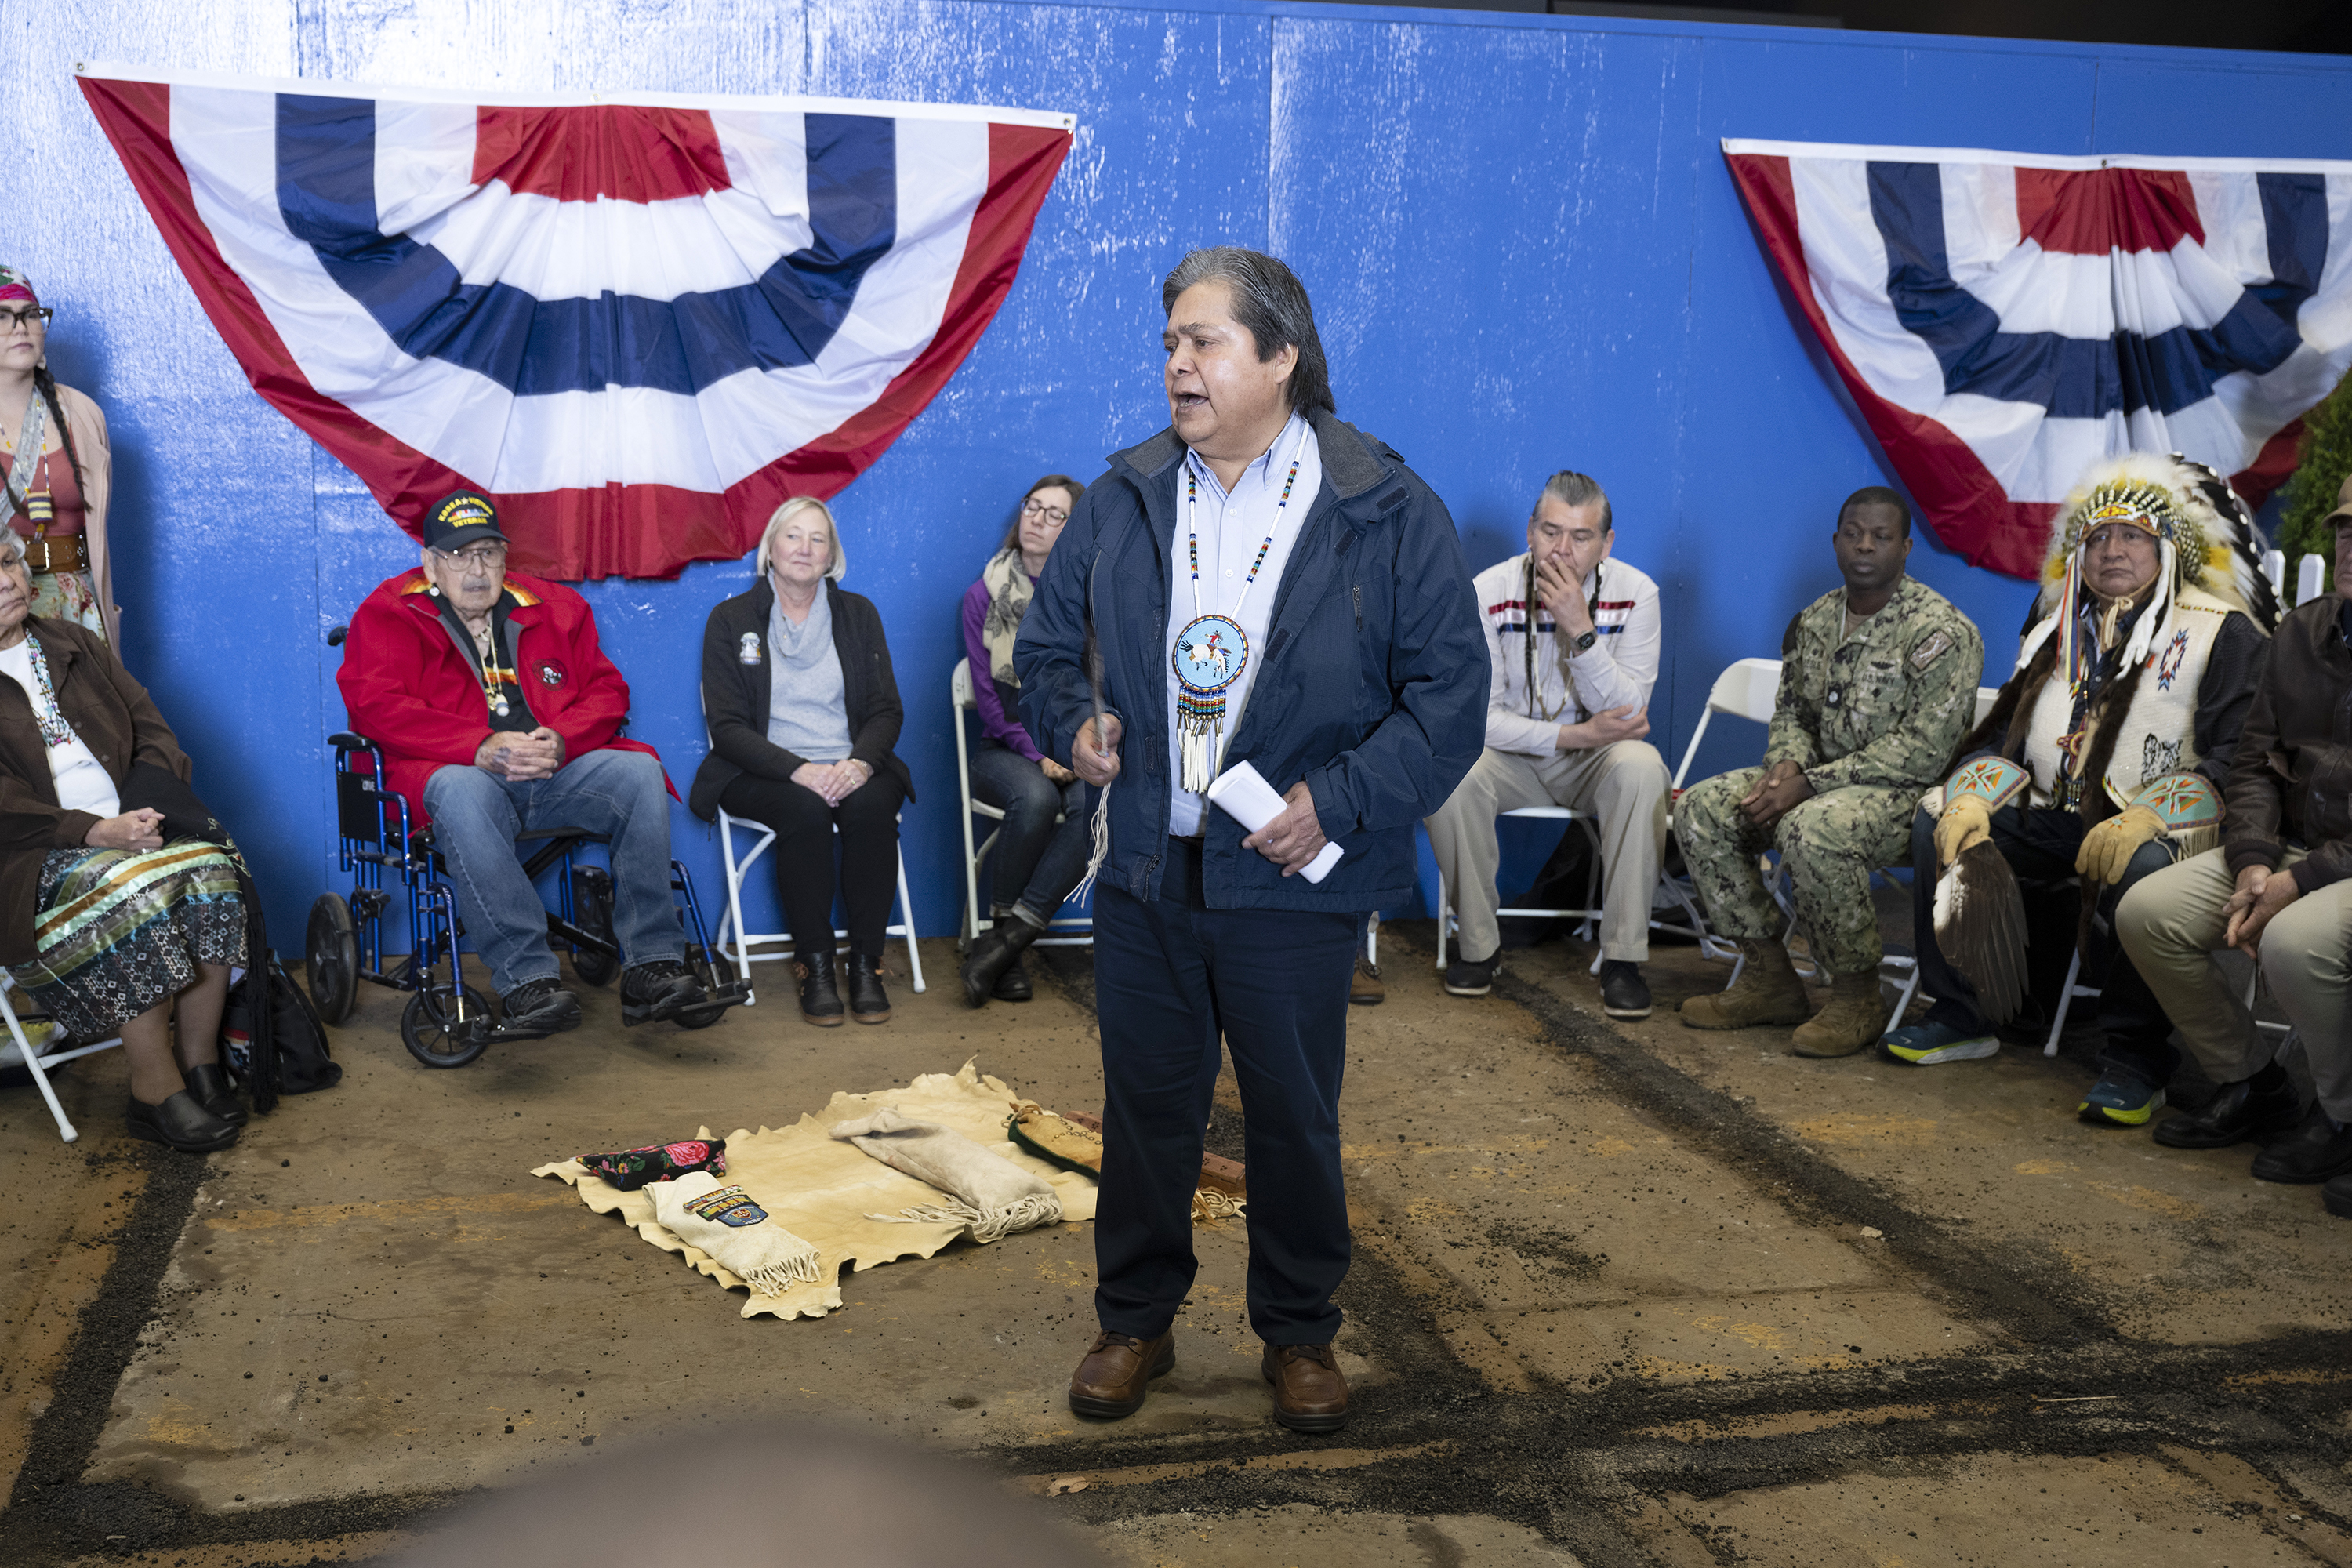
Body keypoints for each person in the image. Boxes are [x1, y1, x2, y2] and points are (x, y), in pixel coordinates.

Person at [1015, 246, 1487, 1433]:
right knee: (1146, 1114)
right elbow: (1039, 655)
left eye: (1204, 342)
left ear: (1280, 358)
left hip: (1290, 877)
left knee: (1291, 1118)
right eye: (1170, 342)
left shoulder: (1381, 503)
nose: (1177, 363)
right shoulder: (1126, 496)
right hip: (1146, 873)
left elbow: (1449, 700)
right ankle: (1135, 1325)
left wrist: (1335, 801)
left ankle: (1298, 1336)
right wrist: (1074, 728)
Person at [1893, 456, 2272, 1124]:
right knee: (1939, 819)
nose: (2111, 551)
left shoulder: (2219, 629)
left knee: (2146, 869)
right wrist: (1975, 794)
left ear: (2167, 549)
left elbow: (2238, 758)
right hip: (2050, 811)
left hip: (2158, 825)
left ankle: (2137, 1060)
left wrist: (2149, 816)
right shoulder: (2055, 620)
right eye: (2097, 539)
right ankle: (1963, 1012)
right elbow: (2005, 732)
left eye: (2131, 536)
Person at [338, 491, 709, 1038]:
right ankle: (528, 981)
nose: (477, 569)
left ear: (505, 558)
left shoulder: (555, 607)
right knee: (462, 790)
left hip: (551, 771)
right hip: (461, 779)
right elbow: (375, 706)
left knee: (639, 773)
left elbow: (608, 692)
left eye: (489, 553)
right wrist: (477, 745)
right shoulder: (390, 610)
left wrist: (563, 739)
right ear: (431, 562)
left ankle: (651, 967)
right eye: (461, 556)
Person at [1679, 488, 1983, 1056]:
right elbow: (1792, 710)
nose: (1865, 545)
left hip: (1907, 798)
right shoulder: (1814, 621)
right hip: (1813, 784)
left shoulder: (1942, 633)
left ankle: (1857, 997)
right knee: (1702, 809)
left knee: (1811, 828)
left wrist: (1810, 784)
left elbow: (1923, 751)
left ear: (1907, 546)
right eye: (1853, 532)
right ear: (1836, 540)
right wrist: (1787, 764)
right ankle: (1770, 977)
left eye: (1881, 535)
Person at [2118, 473, 2352, 1200]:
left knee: (2295, 941)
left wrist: (2294, 883)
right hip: (2284, 847)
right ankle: (2252, 1081)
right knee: (2148, 913)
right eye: (2345, 529)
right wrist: (2253, 863)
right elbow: (2251, 764)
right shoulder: (2300, 633)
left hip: (2337, 866)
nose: (2349, 544)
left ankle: (2343, 1118)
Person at [0, 531, 243, 1150]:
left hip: (132, 827)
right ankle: (153, 1090)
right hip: (30, 858)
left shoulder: (74, 642)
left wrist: (147, 807)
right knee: (130, 888)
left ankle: (200, 1064)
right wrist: (94, 831)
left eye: (6, 563)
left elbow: (152, 731)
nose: (5, 581)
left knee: (214, 871)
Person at [1422, 470, 1669, 1017]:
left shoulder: (1637, 593)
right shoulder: (1490, 591)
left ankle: (1623, 959)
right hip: (1517, 758)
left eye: (1581, 537)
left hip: (1598, 763)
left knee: (1642, 768)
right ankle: (1480, 948)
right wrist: (1575, 734)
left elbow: (1627, 713)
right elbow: (1479, 722)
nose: (1562, 550)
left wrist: (1580, 631)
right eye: (1551, 532)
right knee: (1450, 771)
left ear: (1606, 543)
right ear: (1529, 531)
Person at [693, 498, 913, 1027]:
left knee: (872, 807)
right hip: (763, 772)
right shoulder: (730, 619)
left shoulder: (858, 615)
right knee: (806, 812)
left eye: (818, 539)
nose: (804, 548)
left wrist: (859, 765)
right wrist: (799, 770)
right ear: (770, 547)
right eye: (793, 536)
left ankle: (865, 964)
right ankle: (815, 965)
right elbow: (727, 729)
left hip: (848, 762)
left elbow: (886, 710)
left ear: (831, 554)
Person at [957, 474, 1089, 1007]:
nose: (1037, 518)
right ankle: (1005, 944)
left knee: (1099, 804)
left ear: (1073, 529)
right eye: (1033, 506)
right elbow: (989, 699)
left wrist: (1072, 748)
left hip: (1075, 744)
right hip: (1006, 748)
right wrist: (1038, 754)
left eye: (1054, 513)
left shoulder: (1086, 599)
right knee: (1033, 797)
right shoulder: (982, 595)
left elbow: (1098, 687)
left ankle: (1006, 943)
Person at [0, 267, 117, 644]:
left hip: (76, 603)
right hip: (4, 608)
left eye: (31, 314)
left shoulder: (83, 414)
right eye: (3, 316)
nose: (21, 327)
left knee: (88, 703)